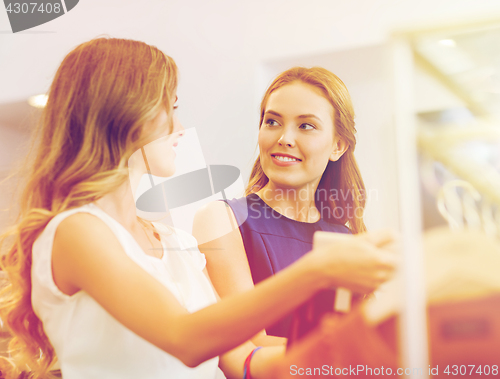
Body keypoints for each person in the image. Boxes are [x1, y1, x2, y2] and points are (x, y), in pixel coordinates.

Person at [0, 38, 396, 379]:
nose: (179, 127)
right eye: (169, 109)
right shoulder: (77, 231)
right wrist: (317, 271)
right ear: (123, 112)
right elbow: (186, 338)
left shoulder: (174, 240)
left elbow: (237, 352)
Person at [193, 67, 372, 342]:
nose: (284, 138)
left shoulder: (349, 240)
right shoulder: (222, 220)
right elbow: (250, 344)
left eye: (306, 126)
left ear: (338, 146)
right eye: (272, 122)